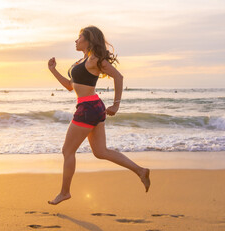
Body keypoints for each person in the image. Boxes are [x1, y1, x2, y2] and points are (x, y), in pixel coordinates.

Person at [47, 26, 150, 205]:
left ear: (89, 40)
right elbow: (70, 86)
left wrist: (116, 105)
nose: (76, 41)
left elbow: (119, 77)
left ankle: (64, 192)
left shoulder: (95, 59)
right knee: (101, 152)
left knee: (67, 151)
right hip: (93, 107)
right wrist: (53, 70)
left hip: (88, 109)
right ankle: (140, 171)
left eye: (79, 38)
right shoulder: (82, 60)